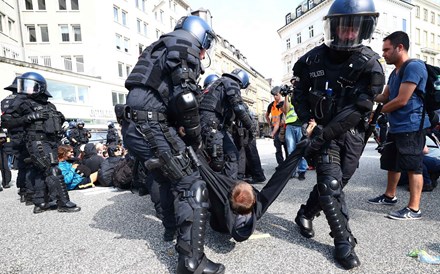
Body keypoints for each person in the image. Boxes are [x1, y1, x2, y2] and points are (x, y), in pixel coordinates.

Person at [117, 15, 224, 273]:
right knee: (191, 182)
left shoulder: (160, 46)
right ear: (200, 36)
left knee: (166, 178)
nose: (204, 51)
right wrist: (195, 137)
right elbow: (186, 99)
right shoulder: (184, 45)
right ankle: (191, 262)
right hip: (150, 125)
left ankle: (170, 229)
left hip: (134, 126)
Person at [292, 0, 385, 269]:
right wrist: (308, 117)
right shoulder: (311, 59)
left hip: (352, 134)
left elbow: (359, 109)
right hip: (322, 130)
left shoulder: (370, 64)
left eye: (353, 28)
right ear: (333, 27)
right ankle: (343, 242)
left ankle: (305, 213)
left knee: (338, 181)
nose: (347, 33)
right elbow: (299, 92)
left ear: (364, 29)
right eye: (343, 27)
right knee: (330, 183)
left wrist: (322, 134)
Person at [368, 31, 430, 221]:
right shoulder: (395, 72)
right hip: (397, 126)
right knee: (392, 163)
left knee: (413, 166)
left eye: (387, 50)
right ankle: (389, 196)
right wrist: (366, 95)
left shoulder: (414, 67)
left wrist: (376, 113)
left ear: (399, 47)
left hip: (412, 125)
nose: (384, 54)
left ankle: (414, 209)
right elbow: (385, 97)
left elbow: (402, 100)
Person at [1, 72, 81, 213]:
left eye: (30, 86)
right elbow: (7, 123)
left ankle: (41, 202)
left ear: (40, 87)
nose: (27, 89)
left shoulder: (49, 105)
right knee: (53, 170)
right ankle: (64, 203)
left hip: (51, 142)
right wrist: (28, 118)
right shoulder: (22, 104)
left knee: (39, 171)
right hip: (37, 142)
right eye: (25, 86)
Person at [200, 68, 254, 180]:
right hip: (212, 124)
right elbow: (238, 108)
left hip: (216, 125)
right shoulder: (232, 83)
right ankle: (217, 190)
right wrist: (251, 126)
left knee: (233, 154)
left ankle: (229, 186)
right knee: (218, 161)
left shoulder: (219, 83)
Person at [1, 77, 32, 202]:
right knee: (29, 164)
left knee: (20, 165)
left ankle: (22, 191)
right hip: (23, 136)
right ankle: (28, 191)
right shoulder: (23, 101)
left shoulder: (4, 101)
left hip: (12, 137)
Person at [282, 81, 308, 180]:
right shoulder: (288, 96)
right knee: (290, 149)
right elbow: (285, 110)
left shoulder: (303, 93)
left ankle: (302, 170)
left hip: (301, 124)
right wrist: (285, 96)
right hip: (290, 125)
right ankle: (292, 171)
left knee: (302, 148)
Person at [265, 86, 286, 165]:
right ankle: (281, 164)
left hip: (284, 127)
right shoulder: (271, 105)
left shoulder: (285, 103)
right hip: (275, 128)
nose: (274, 97)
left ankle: (287, 164)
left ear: (280, 94)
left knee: (286, 146)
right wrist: (270, 124)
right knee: (278, 148)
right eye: (273, 95)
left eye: (276, 95)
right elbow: (266, 115)